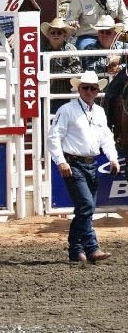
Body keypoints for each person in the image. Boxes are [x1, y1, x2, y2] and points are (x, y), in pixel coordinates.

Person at [47, 70, 120, 264]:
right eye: (86, 88)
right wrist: (61, 161)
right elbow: (54, 137)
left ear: (97, 90)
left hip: (90, 164)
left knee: (84, 208)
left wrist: (113, 158)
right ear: (79, 89)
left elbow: (106, 138)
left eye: (93, 88)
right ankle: (91, 247)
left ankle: (76, 250)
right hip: (74, 164)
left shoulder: (99, 112)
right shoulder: (67, 110)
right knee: (87, 206)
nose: (89, 91)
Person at [40, 17, 82, 113]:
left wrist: (55, 75)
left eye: (59, 33)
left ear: (64, 35)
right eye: (53, 33)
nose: (56, 35)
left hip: (63, 95)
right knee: (43, 119)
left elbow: (77, 71)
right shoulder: (41, 49)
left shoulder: (70, 49)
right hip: (43, 92)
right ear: (48, 35)